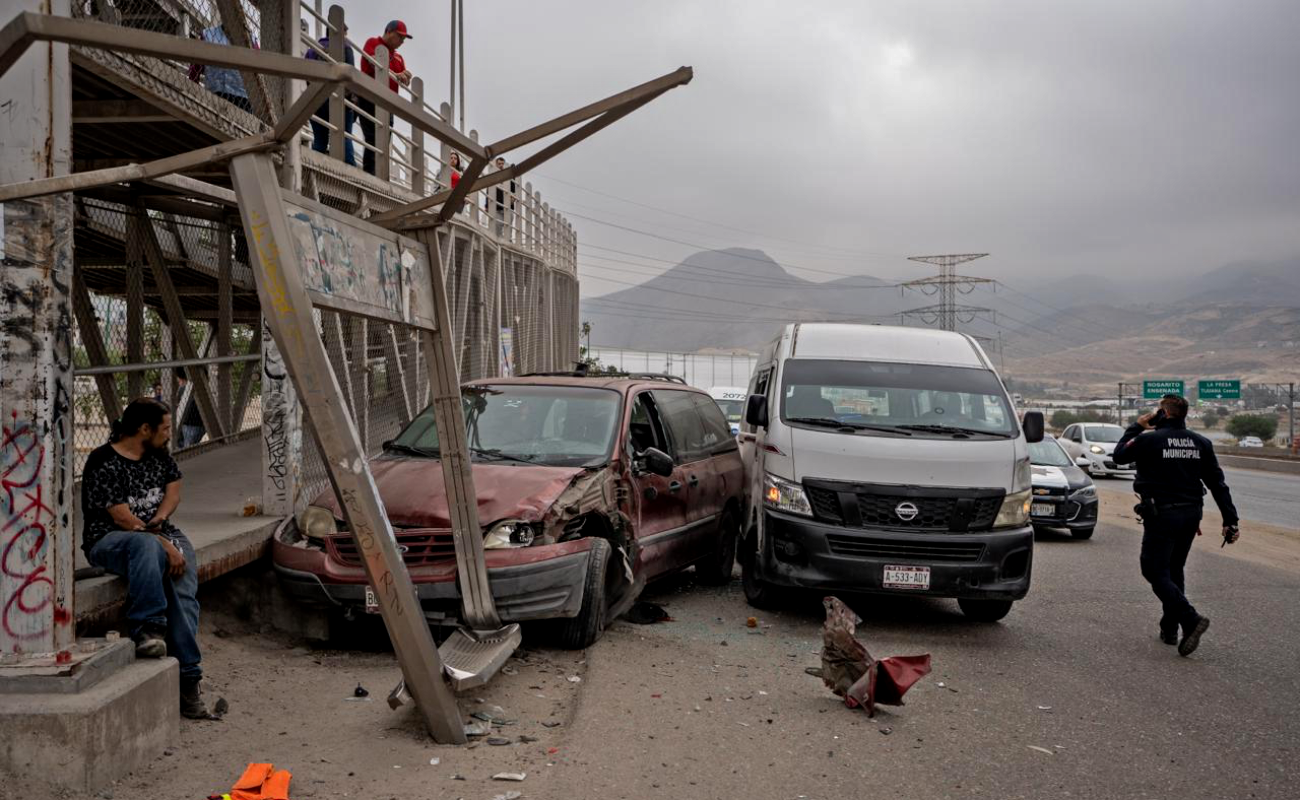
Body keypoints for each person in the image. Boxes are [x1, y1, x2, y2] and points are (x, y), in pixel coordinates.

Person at [81, 398, 209, 718]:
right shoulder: (102, 461)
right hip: (110, 541)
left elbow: (174, 489)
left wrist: (160, 521)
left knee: (183, 585)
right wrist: (160, 541)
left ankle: (189, 676)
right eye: (165, 428)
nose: (169, 434)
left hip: (156, 533)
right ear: (144, 429)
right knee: (147, 547)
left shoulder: (158, 454)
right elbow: (123, 519)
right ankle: (149, 631)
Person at [1112, 394, 1239, 657]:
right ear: (1184, 415)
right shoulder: (1201, 442)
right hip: (1192, 515)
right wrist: (1230, 520)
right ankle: (1170, 629)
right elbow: (1218, 483)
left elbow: (1119, 456)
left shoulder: (1149, 439)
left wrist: (1137, 426)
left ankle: (1190, 619)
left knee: (1153, 570)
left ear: (1163, 414)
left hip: (1162, 514)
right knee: (1174, 568)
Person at [359, 20, 414, 176]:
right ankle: (370, 174)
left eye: (404, 39)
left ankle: (380, 175)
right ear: (389, 32)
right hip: (370, 97)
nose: (402, 42)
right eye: (400, 37)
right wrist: (396, 73)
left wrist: (405, 77)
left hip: (388, 104)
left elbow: (401, 79)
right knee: (372, 138)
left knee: (384, 141)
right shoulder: (373, 43)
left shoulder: (398, 58)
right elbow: (372, 63)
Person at [305, 26, 356, 166]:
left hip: (316, 100)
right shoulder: (346, 47)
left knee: (320, 141)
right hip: (339, 101)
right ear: (342, 33)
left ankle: (313, 170)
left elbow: (307, 75)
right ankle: (352, 176)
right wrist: (353, 106)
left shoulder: (313, 49)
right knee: (344, 137)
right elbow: (350, 78)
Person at [200, 24, 253, 113]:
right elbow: (196, 66)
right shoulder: (208, 33)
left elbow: (258, 75)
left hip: (242, 98)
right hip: (215, 92)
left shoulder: (250, 39)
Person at [175, 371, 205, 448]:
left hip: (190, 424)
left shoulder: (182, 389)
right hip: (193, 424)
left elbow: (177, 404)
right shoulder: (202, 388)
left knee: (186, 448)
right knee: (186, 447)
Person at [486, 157, 515, 236]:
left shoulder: (510, 178)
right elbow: (488, 191)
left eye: (502, 164)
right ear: (496, 165)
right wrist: (487, 205)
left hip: (508, 207)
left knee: (508, 228)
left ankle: (508, 241)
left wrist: (513, 197)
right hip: (497, 207)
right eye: (499, 164)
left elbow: (514, 189)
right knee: (497, 227)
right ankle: (497, 242)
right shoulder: (493, 177)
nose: (501, 166)